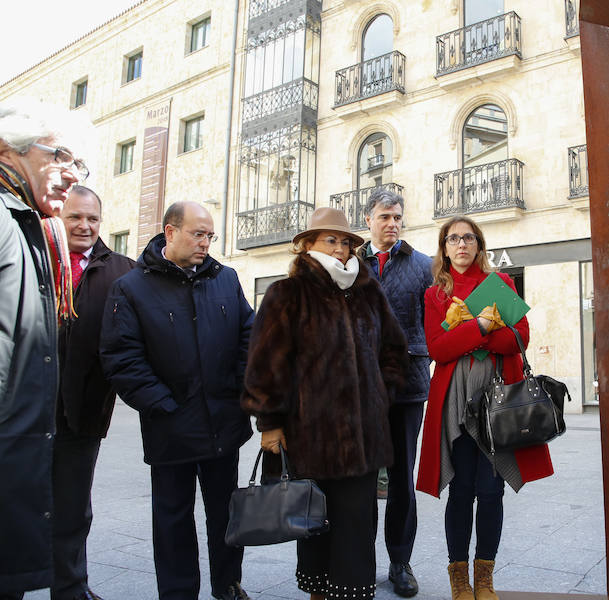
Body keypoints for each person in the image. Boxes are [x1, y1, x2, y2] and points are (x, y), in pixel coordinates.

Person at [242, 207, 408, 600]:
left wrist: (380, 393)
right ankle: (318, 592)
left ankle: (352, 593)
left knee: (357, 524)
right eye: (330, 239)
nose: (340, 248)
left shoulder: (369, 290)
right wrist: (270, 422)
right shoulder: (288, 293)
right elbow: (266, 362)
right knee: (313, 520)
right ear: (308, 245)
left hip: (363, 435)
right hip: (308, 434)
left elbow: (394, 349)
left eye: (346, 241)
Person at [99, 201, 254, 600]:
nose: (206, 243)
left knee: (226, 515)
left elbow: (248, 337)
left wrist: (239, 391)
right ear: (170, 232)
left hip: (223, 422)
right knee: (172, 520)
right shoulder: (131, 287)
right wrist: (163, 406)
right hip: (171, 427)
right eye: (198, 234)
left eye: (210, 236)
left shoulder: (226, 278)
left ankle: (228, 585)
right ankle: (178, 592)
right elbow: (122, 357)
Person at [415, 216, 554, 600]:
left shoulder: (501, 284)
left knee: (491, 491)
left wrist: (470, 333)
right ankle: (459, 578)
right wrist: (481, 325)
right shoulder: (434, 295)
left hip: (498, 402)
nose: (462, 244)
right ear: (444, 247)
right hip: (454, 404)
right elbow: (437, 349)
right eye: (454, 238)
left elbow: (520, 337)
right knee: (461, 491)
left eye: (469, 238)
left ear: (479, 244)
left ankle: (485, 577)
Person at [0, 99, 89, 598]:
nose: (71, 175)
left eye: (79, 165)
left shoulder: (29, 226)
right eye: (60, 156)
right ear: (8, 150)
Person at [54, 186, 134, 600]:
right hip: (24, 410)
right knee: (14, 503)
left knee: (73, 506)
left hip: (83, 409)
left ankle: (70, 588)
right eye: (75, 218)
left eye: (92, 219)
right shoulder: (35, 260)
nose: (84, 226)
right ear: (58, 217)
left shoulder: (123, 270)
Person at [355, 190, 433, 597]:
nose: (392, 223)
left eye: (398, 217)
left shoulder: (423, 266)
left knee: (402, 476)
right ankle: (361, 561)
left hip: (408, 385)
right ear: (367, 219)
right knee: (364, 476)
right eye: (384, 216)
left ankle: (400, 563)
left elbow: (450, 312)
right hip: (361, 386)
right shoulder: (350, 265)